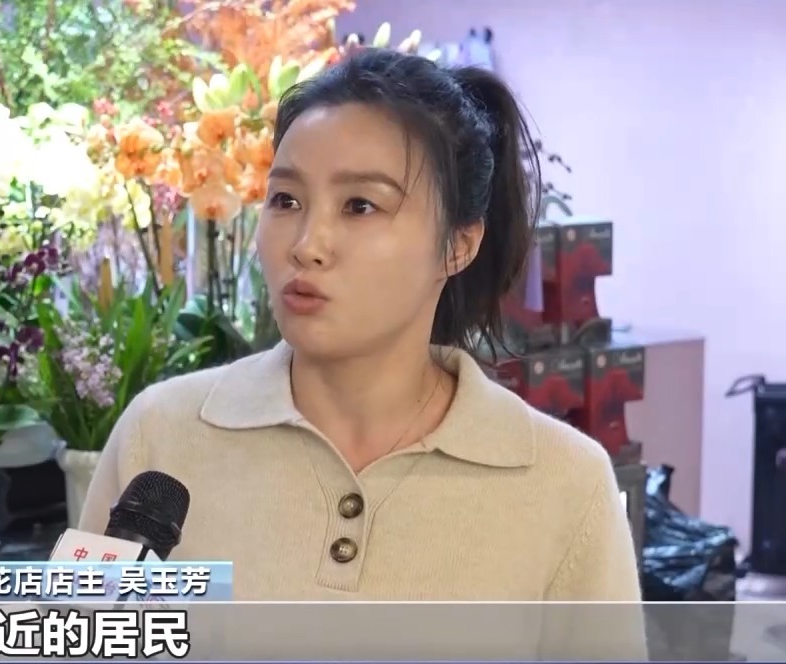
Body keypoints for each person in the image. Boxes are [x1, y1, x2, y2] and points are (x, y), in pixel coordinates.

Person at [80, 49, 646, 659]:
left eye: (360, 206)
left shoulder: (564, 484)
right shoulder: (161, 435)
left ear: (458, 245)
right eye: (286, 200)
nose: (307, 245)